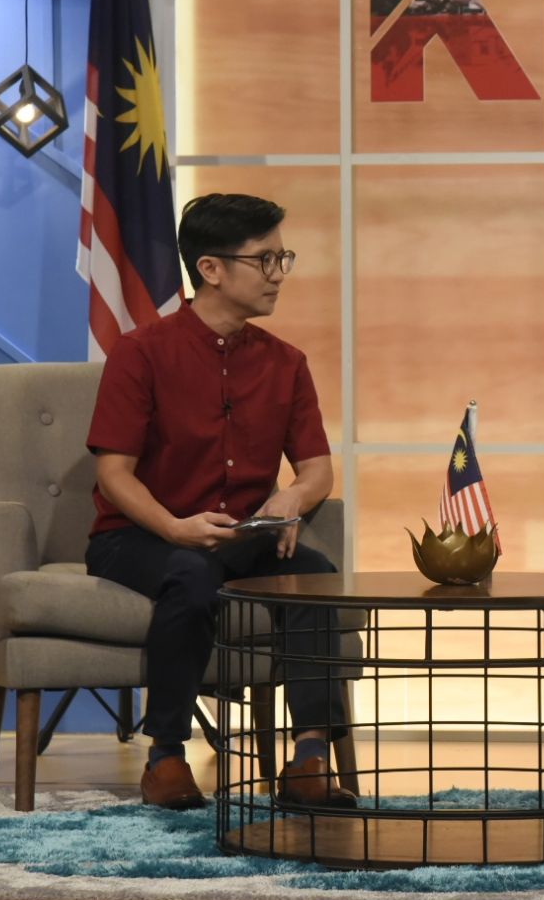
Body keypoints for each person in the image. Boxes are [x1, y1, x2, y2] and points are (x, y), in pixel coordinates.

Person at [85, 193, 353, 811]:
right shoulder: (141, 353)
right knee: (191, 572)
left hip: (242, 538)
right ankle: (166, 757)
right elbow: (114, 475)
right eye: (265, 260)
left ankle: (309, 759)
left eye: (283, 258)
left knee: (315, 576)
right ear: (211, 268)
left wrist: (290, 497)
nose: (279, 274)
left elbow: (317, 469)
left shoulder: (286, 364)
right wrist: (175, 528)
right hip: (139, 537)